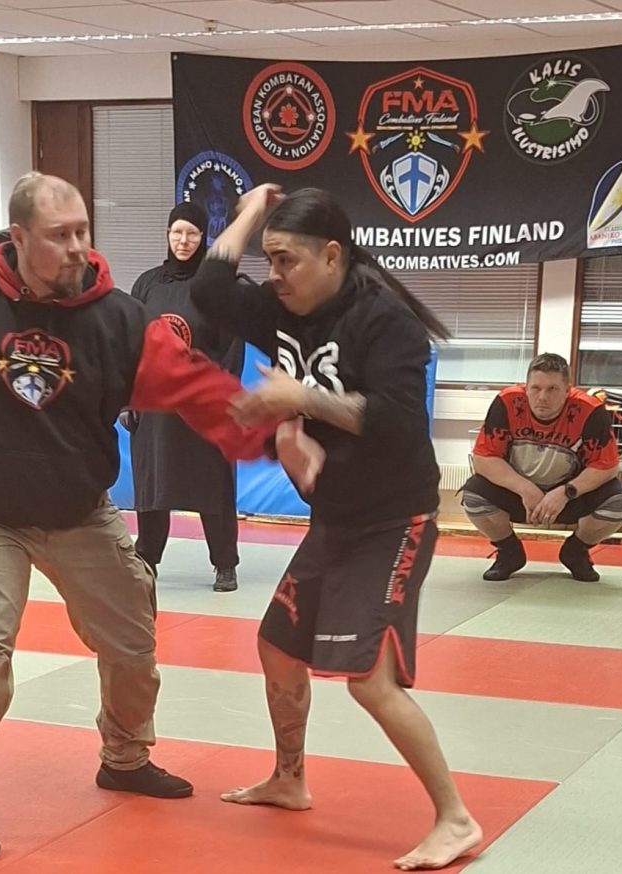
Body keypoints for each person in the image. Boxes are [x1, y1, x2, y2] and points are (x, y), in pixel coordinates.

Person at [0, 173, 284, 861]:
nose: (76, 247)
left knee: (133, 641)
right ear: (19, 237)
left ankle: (124, 757)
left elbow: (196, 389)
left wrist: (277, 438)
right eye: (59, 236)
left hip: (80, 509)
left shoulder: (120, 320)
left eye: (82, 232)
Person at [190, 183, 482, 872]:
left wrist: (300, 398)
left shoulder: (384, 322)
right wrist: (251, 212)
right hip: (337, 517)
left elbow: (397, 421)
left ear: (331, 255)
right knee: (276, 648)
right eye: (268, 260)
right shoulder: (282, 308)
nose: (274, 275)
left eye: (286, 260)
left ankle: (456, 818)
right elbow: (208, 288)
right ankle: (289, 779)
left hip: (394, 519)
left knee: (369, 681)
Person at [127, 202, 244, 592]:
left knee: (214, 483)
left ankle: (225, 562)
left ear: (203, 237)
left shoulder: (216, 286)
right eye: (177, 232)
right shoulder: (147, 284)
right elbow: (131, 341)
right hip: (155, 401)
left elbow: (231, 345)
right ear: (167, 234)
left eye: (192, 233)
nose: (183, 240)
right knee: (153, 483)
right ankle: (147, 558)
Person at [462, 353, 622, 582]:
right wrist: (524, 488)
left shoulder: (590, 411)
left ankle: (576, 551)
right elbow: (484, 459)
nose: (542, 397)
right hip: (519, 495)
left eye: (552, 389)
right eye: (535, 388)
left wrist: (566, 492)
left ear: (567, 390)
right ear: (526, 388)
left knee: (619, 502)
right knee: (473, 495)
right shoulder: (506, 402)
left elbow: (607, 467)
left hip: (568, 497)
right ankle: (509, 552)